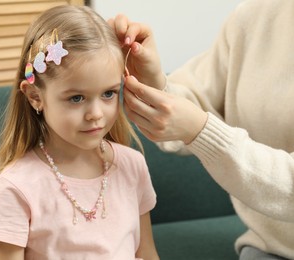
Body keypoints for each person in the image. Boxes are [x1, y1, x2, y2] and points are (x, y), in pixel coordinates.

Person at [109, 0, 294, 259]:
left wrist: (199, 131)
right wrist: (154, 83)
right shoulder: (255, 14)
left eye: (106, 94)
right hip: (269, 249)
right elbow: (198, 97)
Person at [0, 5, 159, 260]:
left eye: (108, 93)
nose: (96, 113)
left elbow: (148, 253)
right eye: (76, 98)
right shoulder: (17, 187)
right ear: (35, 97)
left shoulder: (133, 166)